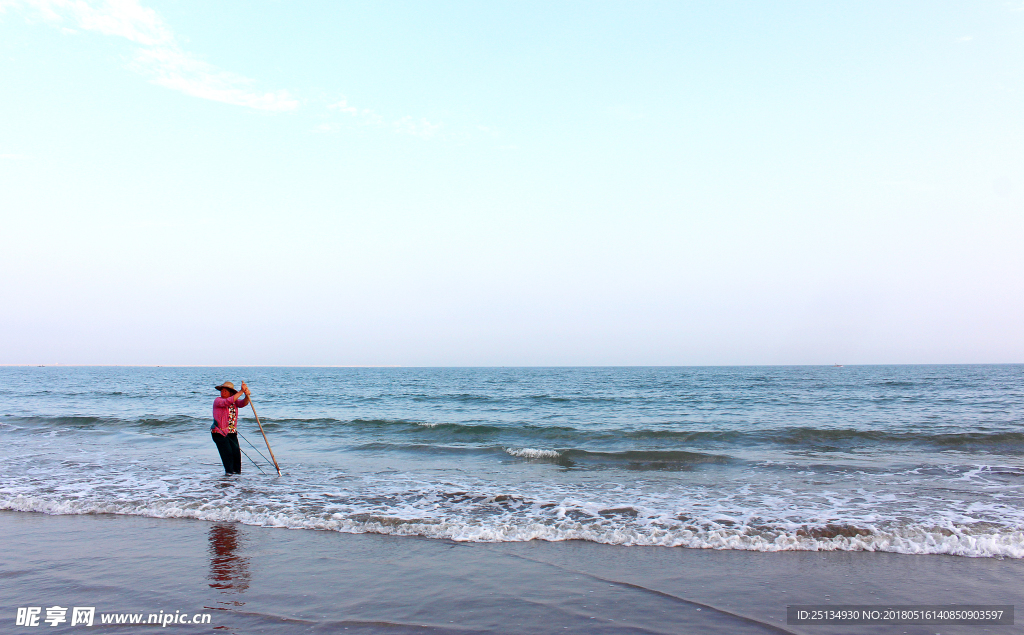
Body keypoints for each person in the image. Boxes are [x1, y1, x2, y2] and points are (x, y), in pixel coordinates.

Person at [212, 381, 250, 475]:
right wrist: (241, 391)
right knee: (228, 455)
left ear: (231, 393)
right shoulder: (218, 400)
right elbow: (227, 402)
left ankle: (237, 477)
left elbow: (243, 403)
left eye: (225, 391)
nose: (223, 392)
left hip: (231, 432)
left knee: (236, 455)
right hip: (219, 433)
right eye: (222, 391)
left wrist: (246, 395)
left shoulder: (234, 401)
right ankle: (229, 477)